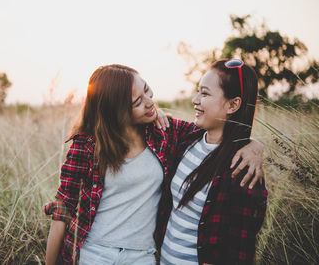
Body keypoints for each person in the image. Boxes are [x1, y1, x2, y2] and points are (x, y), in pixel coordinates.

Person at [44, 64, 264, 265]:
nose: (149, 102)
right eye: (137, 102)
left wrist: (254, 145)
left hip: (142, 256)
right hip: (94, 253)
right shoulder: (88, 144)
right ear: (117, 111)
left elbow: (220, 135)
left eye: (147, 90)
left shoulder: (165, 133)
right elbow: (63, 208)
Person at [159, 59, 268, 265]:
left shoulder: (242, 170)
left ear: (233, 104)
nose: (195, 99)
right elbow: (153, 117)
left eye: (205, 93)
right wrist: (156, 112)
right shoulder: (188, 137)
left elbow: (239, 254)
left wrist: (253, 146)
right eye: (198, 91)